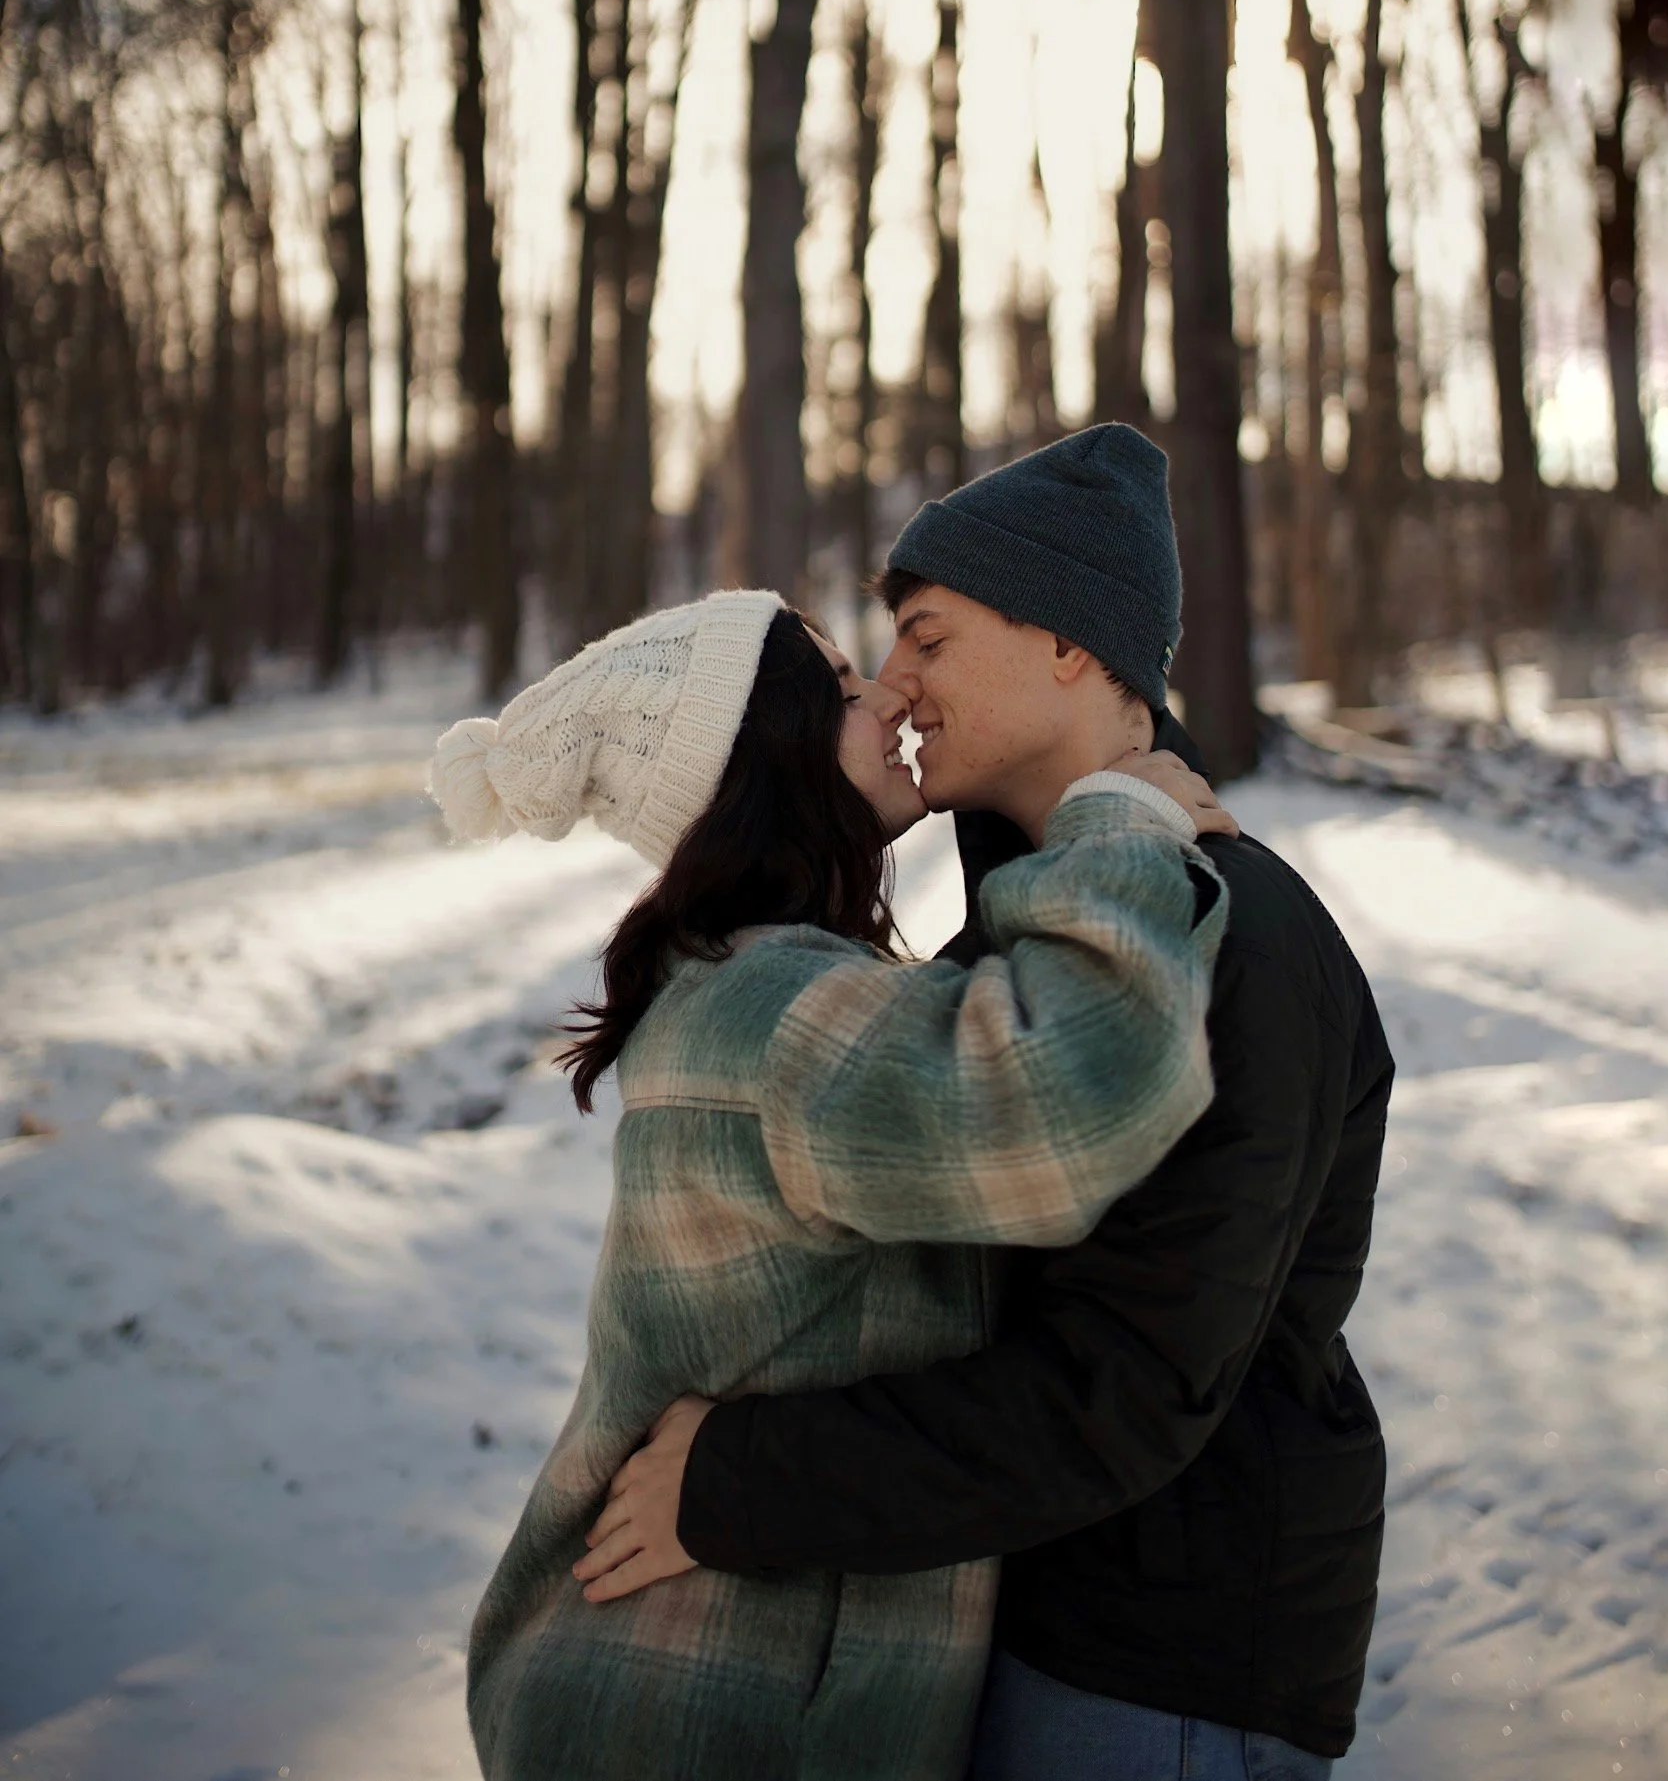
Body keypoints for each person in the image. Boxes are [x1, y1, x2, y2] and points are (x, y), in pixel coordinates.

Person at [577, 427, 1396, 1781]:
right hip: (1038, 1625)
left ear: (1069, 643)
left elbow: (1122, 1390)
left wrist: (739, 1484)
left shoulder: (1226, 930)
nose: (894, 684)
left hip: (1157, 1664)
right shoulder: (1019, 947)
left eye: (927, 638)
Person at [429, 581, 1237, 1781]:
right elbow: (1079, 1090)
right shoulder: (773, 1010)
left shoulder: (759, 985)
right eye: (848, 688)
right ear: (771, 754)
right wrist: (1117, 821)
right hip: (682, 1720)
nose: (892, 692)